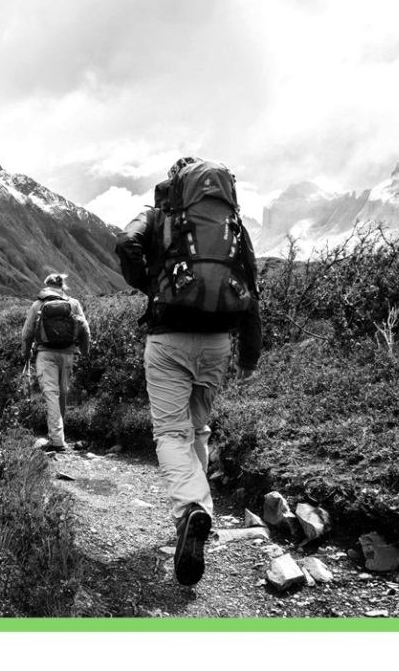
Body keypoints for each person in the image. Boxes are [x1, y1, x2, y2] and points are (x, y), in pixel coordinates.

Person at [115, 156, 262, 586]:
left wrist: (152, 284)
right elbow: (250, 286)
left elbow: (125, 244)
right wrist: (249, 356)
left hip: (169, 340)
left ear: (175, 184)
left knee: (170, 433)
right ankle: (197, 514)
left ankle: (192, 509)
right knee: (198, 428)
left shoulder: (159, 215)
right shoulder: (232, 224)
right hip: (218, 343)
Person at [21, 272, 91, 454]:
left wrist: (26, 353)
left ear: (46, 285)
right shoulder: (73, 303)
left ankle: (57, 441)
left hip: (45, 354)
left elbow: (27, 333)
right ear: (62, 286)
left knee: (51, 394)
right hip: (68, 354)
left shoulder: (38, 304)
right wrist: (84, 351)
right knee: (62, 393)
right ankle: (59, 436)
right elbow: (85, 328)